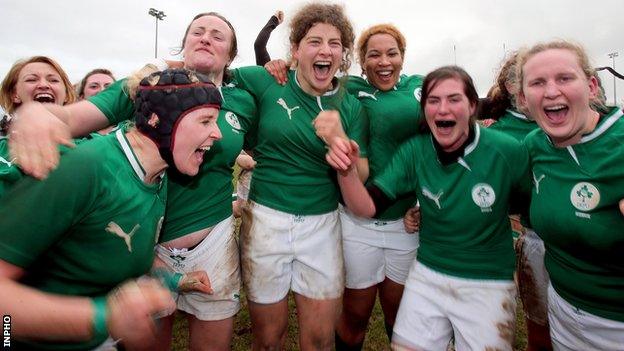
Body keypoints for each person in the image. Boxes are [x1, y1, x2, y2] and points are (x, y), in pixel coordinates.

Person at [8, 12, 257, 350]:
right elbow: (71, 117)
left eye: (218, 35)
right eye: (204, 122)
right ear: (156, 119)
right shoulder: (89, 167)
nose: (217, 134)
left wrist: (174, 280)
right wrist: (34, 112)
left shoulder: (158, 178)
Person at [326, 66, 530, 351]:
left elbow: (533, 208)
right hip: (428, 273)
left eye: (454, 99)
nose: (443, 109)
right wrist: (347, 170)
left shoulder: (507, 150)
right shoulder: (415, 151)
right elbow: (367, 205)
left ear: (472, 105)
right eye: (433, 101)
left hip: (488, 281)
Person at [231, 3, 368, 349]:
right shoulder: (268, 80)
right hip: (265, 221)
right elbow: (215, 71)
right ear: (295, 50)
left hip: (321, 225)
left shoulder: (349, 105)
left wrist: (342, 146)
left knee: (320, 340)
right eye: (314, 41)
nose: (325, 50)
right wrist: (159, 67)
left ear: (343, 53)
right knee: (268, 338)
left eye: (334, 43)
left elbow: (362, 174)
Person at [516, 40, 624, 351]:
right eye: (538, 82)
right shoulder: (535, 144)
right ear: (524, 99)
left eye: (564, 78)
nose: (551, 92)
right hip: (561, 311)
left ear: (591, 86)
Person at [483, 53, 551, 351]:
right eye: (533, 79)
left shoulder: (559, 119)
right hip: (534, 237)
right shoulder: (496, 133)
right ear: (512, 87)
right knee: (541, 327)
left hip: (583, 245)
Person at [0, 56, 76, 194]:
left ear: (66, 94)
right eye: (31, 79)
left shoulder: (92, 145)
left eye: (53, 80)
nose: (43, 85)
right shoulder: (1, 150)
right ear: (15, 94)